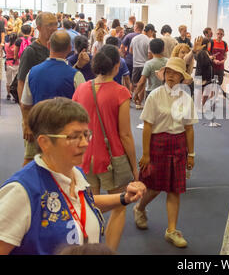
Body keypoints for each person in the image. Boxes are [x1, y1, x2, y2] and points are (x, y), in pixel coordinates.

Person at [0, 97, 146, 255]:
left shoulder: (75, 172)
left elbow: (81, 202)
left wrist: (123, 198)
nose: (84, 143)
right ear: (44, 142)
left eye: (86, 134)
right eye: (74, 136)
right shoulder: (21, 191)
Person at [72, 45, 138, 250]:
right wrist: (134, 166)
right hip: (112, 159)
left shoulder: (81, 88)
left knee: (88, 208)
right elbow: (125, 134)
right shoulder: (121, 93)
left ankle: (87, 250)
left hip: (84, 157)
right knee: (119, 205)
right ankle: (108, 252)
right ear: (117, 66)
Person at [134, 57, 198, 248]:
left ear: (181, 77)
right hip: (157, 144)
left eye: (175, 73)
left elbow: (189, 129)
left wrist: (191, 154)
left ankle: (171, 230)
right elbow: (147, 127)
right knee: (153, 187)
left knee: (174, 189)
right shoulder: (154, 95)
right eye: (168, 72)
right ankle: (140, 207)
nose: (171, 76)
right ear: (163, 75)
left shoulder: (186, 98)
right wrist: (145, 154)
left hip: (178, 145)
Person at [17, 12, 58, 166]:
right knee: (31, 159)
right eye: (50, 25)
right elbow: (21, 84)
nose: (54, 28)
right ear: (39, 27)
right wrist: (26, 121)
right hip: (34, 116)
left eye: (55, 24)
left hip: (53, 116)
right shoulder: (31, 52)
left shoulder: (56, 49)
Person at [134, 38, 168, 106]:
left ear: (150, 50)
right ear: (163, 49)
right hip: (166, 92)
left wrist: (136, 93)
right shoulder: (169, 61)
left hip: (152, 92)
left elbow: (142, 81)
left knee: (151, 114)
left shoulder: (149, 64)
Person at [130, 23, 155, 109]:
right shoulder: (148, 40)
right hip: (145, 64)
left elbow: (130, 51)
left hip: (135, 64)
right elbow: (150, 55)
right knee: (143, 84)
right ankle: (139, 103)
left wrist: (137, 55)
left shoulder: (134, 38)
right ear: (150, 31)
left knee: (134, 83)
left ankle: (131, 97)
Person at [4, 33, 18, 102]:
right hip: (16, 63)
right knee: (15, 81)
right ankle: (15, 95)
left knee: (8, 81)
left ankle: (8, 94)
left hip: (8, 63)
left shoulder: (6, 45)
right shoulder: (16, 46)